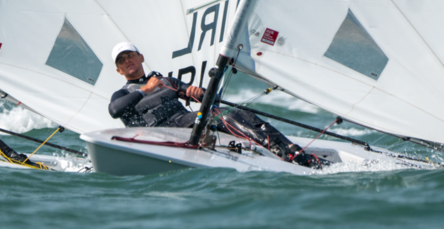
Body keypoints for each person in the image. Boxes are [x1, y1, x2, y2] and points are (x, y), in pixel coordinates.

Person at [107, 43, 324, 169]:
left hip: (186, 124)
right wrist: (145, 90)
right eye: (121, 60)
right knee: (220, 116)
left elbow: (210, 99)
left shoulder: (166, 81)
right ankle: (284, 154)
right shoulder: (123, 93)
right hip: (158, 134)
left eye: (130, 55)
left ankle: (291, 150)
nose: (127, 61)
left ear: (140, 57)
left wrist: (198, 93)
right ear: (118, 70)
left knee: (236, 113)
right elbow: (115, 110)